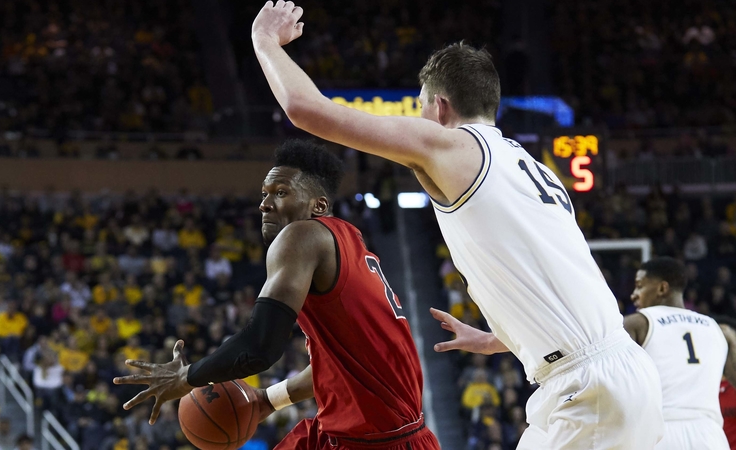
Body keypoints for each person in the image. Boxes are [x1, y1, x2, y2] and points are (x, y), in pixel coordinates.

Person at [250, 2, 663, 448]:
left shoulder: (451, 147)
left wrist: (265, 40)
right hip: (622, 372)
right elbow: (568, 283)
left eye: (421, 107)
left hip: (586, 389)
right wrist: (499, 338)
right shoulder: (533, 168)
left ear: (440, 106)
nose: (420, 120)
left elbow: (305, 109)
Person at [114, 140, 439, 449]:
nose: (264, 204)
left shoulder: (302, 235)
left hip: (378, 441)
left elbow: (260, 346)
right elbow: (338, 368)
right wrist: (268, 400)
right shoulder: (347, 238)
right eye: (264, 193)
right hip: (364, 432)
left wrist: (187, 377)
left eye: (281, 192)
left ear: (318, 205)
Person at [627, 257, 735, 449]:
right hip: (710, 436)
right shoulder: (718, 329)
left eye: (639, 286)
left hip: (661, 433)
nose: (633, 295)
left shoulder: (637, 323)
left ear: (662, 288)